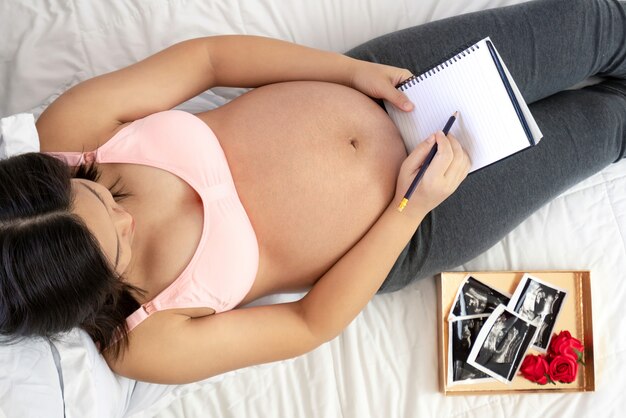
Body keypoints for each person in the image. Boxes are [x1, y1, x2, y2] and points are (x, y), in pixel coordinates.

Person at [0, 0, 624, 384]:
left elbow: (208, 61)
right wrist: (414, 206)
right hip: (422, 221)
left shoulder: (67, 136)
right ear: (80, 297)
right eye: (116, 242)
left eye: (102, 193)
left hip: (386, 87)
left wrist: (349, 70)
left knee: (601, 25)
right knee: (610, 125)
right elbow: (306, 323)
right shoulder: (142, 340)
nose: (125, 216)